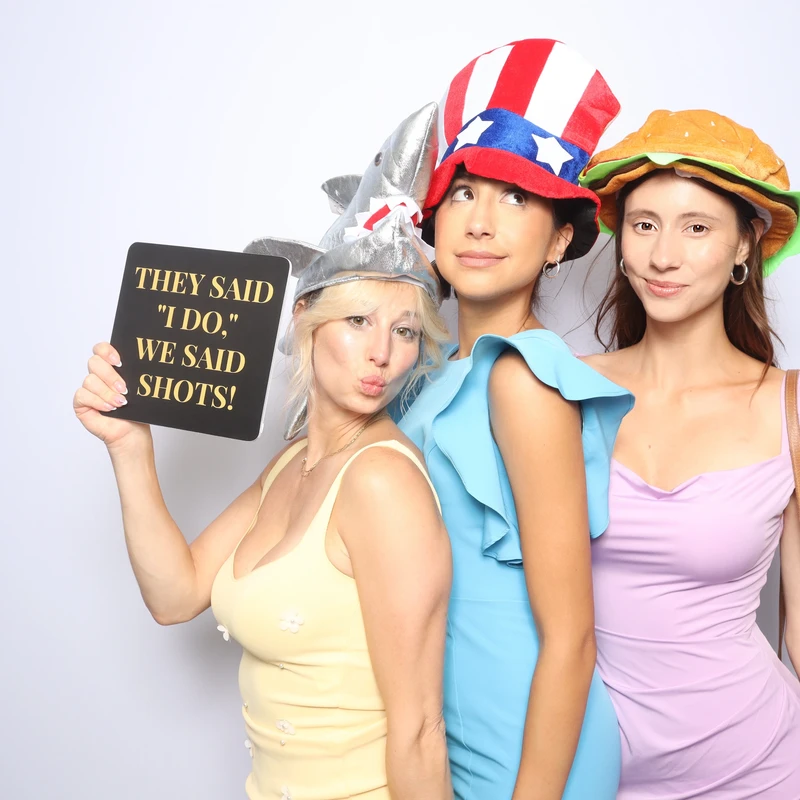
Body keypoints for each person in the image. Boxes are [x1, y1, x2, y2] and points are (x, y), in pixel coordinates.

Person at [72, 105, 453, 800]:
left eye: (404, 330)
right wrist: (130, 447)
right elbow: (175, 593)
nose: (382, 354)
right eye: (359, 320)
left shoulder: (382, 485)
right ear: (307, 320)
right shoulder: (291, 463)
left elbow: (420, 729)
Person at [398, 39, 633, 799]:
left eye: (516, 198)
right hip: (448, 722)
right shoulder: (427, 374)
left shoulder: (520, 377)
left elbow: (571, 637)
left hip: (528, 744)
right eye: (462, 193)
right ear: (430, 226)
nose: (480, 222)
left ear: (562, 237)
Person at [581, 108, 800, 798]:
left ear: (745, 246)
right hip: (588, 769)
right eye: (644, 225)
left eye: (696, 227)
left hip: (757, 768)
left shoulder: (789, 406)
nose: (662, 255)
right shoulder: (563, 389)